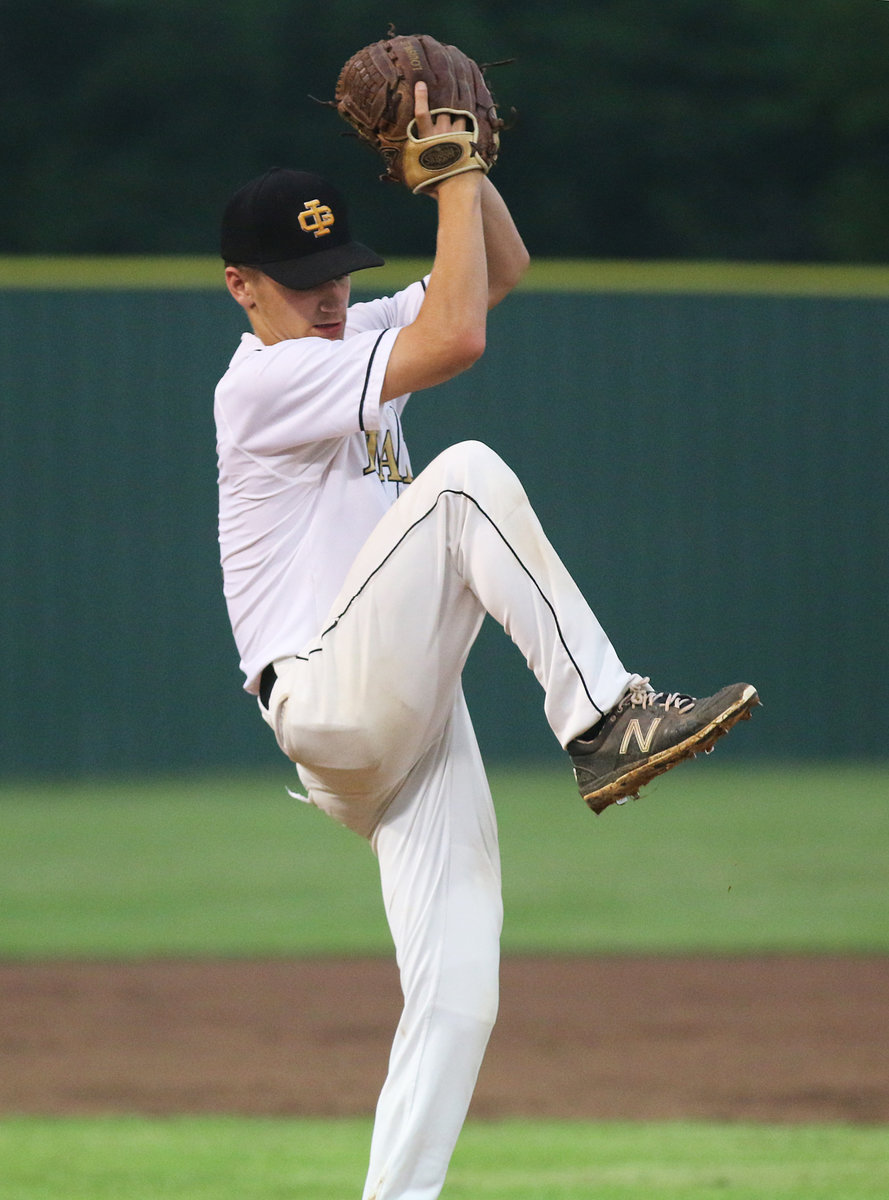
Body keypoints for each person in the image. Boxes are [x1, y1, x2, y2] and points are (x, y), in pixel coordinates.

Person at [214, 84, 758, 1200]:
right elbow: (458, 336)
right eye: (302, 280)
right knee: (462, 480)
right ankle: (605, 718)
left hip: (400, 721)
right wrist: (451, 175)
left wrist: (466, 176)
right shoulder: (263, 382)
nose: (330, 296)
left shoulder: (348, 333)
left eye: (339, 272)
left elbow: (496, 275)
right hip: (325, 695)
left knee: (459, 993)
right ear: (241, 286)